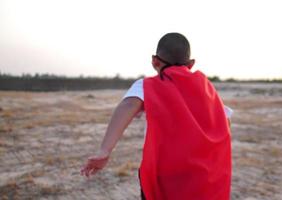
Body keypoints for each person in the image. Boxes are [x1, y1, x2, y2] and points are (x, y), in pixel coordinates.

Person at [80, 33, 233, 200]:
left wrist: (105, 150)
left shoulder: (148, 85)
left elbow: (128, 105)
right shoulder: (206, 88)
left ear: (155, 61)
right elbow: (225, 121)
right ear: (191, 64)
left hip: (163, 176)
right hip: (204, 178)